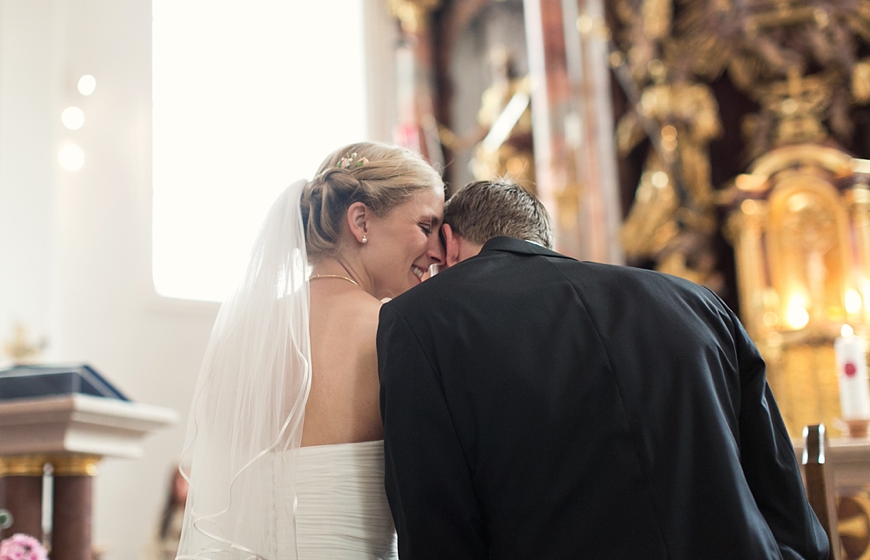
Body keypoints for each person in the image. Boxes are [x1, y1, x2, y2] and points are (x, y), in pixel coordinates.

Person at [377, 180, 829, 560]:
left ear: (450, 242)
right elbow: (782, 491)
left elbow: (435, 515)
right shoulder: (697, 302)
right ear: (539, 239)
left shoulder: (420, 319)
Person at [176, 142, 445, 559]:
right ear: (360, 221)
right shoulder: (394, 329)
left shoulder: (248, 334)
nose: (437, 252)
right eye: (426, 227)